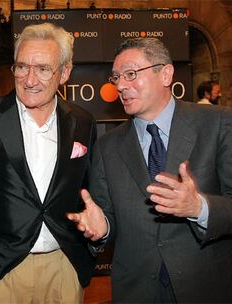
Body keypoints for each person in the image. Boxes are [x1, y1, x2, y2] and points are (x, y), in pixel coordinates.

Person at [68, 38, 232, 303]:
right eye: (116, 77)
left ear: (165, 73)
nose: (120, 85)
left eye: (131, 74)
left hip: (206, 287)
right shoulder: (109, 145)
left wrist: (198, 208)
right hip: (136, 291)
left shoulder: (219, 123)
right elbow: (106, 214)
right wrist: (102, 229)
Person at [0, 23, 97, 303]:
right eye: (22, 67)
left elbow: (89, 189)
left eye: (43, 69)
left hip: (64, 265)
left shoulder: (82, 122)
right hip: (4, 271)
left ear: (65, 73)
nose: (30, 79)